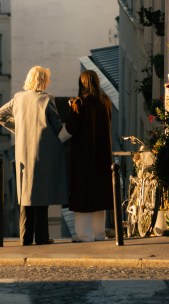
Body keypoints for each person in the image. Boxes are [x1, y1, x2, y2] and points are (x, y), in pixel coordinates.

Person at [0, 65, 67, 246]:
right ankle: (42, 237)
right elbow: (58, 126)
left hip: (23, 153)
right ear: (43, 81)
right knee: (42, 196)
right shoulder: (46, 99)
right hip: (42, 153)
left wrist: (18, 128)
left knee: (25, 196)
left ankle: (25, 237)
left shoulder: (18, 98)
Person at [64, 69, 113, 242]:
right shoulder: (105, 102)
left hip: (83, 157)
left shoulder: (80, 103)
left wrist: (71, 109)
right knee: (99, 196)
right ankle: (99, 233)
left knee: (83, 196)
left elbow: (71, 128)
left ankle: (84, 235)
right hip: (102, 156)